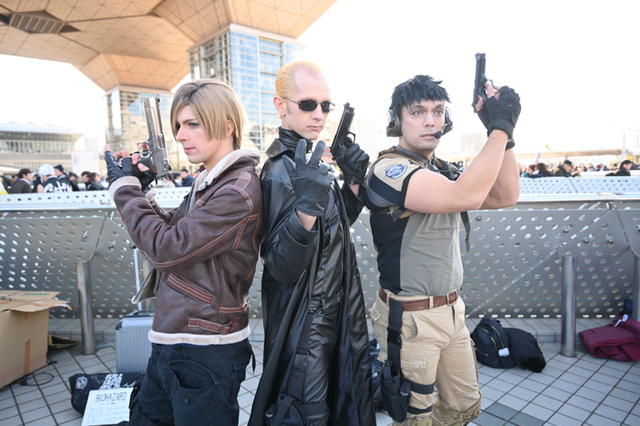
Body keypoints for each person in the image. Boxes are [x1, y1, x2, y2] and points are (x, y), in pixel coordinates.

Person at [104, 78, 263, 426]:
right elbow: (174, 233)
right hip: (178, 336)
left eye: (192, 124)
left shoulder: (237, 191)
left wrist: (124, 191)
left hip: (205, 348)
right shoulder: (213, 181)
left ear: (227, 126)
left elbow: (166, 249)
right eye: (178, 125)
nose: (180, 135)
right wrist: (141, 193)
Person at [366, 75, 521, 426]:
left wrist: (502, 133)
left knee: (464, 407)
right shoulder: (389, 170)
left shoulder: (438, 170)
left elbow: (505, 195)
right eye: (417, 112)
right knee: (414, 418)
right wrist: (500, 127)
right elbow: (464, 195)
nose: (429, 121)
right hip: (410, 320)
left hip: (452, 311)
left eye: (437, 112)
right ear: (397, 120)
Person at [249, 60, 375, 426]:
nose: (319, 114)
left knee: (340, 407)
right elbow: (281, 266)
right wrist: (304, 210)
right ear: (280, 105)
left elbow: (331, 227)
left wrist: (354, 181)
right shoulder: (279, 171)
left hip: (333, 313)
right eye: (307, 104)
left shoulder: (309, 160)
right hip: (305, 328)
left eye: (325, 105)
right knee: (308, 415)